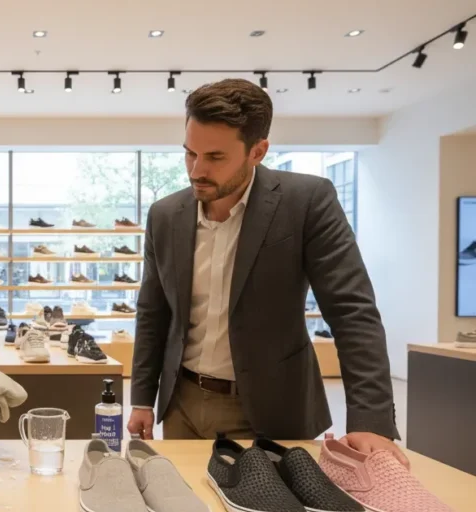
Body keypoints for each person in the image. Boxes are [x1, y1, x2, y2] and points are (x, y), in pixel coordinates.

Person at [128, 79, 407, 465]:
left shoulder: (307, 202)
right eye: (190, 153)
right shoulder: (164, 215)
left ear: (257, 152)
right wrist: (142, 398)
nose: (197, 170)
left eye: (215, 157)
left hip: (271, 410)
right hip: (182, 404)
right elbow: (153, 311)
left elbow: (351, 311)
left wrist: (372, 419)